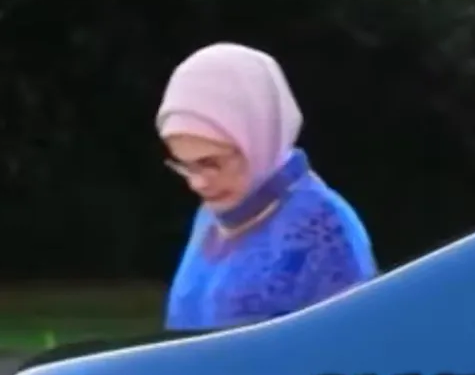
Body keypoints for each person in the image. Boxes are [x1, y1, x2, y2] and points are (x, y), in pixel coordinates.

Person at [158, 42, 378, 330]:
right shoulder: (214, 215)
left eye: (212, 163)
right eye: (184, 165)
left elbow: (354, 343)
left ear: (259, 138)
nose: (198, 183)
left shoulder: (324, 228)